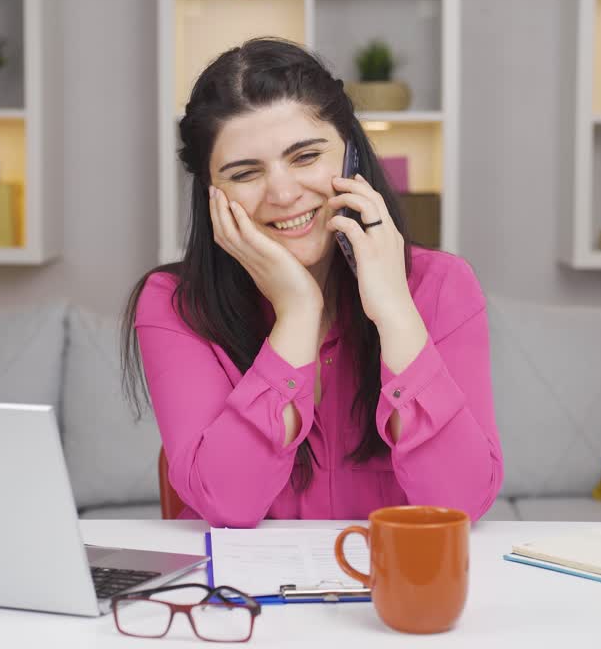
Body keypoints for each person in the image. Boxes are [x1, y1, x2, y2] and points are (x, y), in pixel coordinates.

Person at [122, 37, 502, 527]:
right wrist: (297, 312)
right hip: (246, 600)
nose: (282, 193)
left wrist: (396, 315)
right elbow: (227, 503)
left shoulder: (442, 284)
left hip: (391, 592)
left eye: (305, 157)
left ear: (352, 157)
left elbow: (461, 505)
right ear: (212, 195)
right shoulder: (175, 304)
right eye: (245, 173)